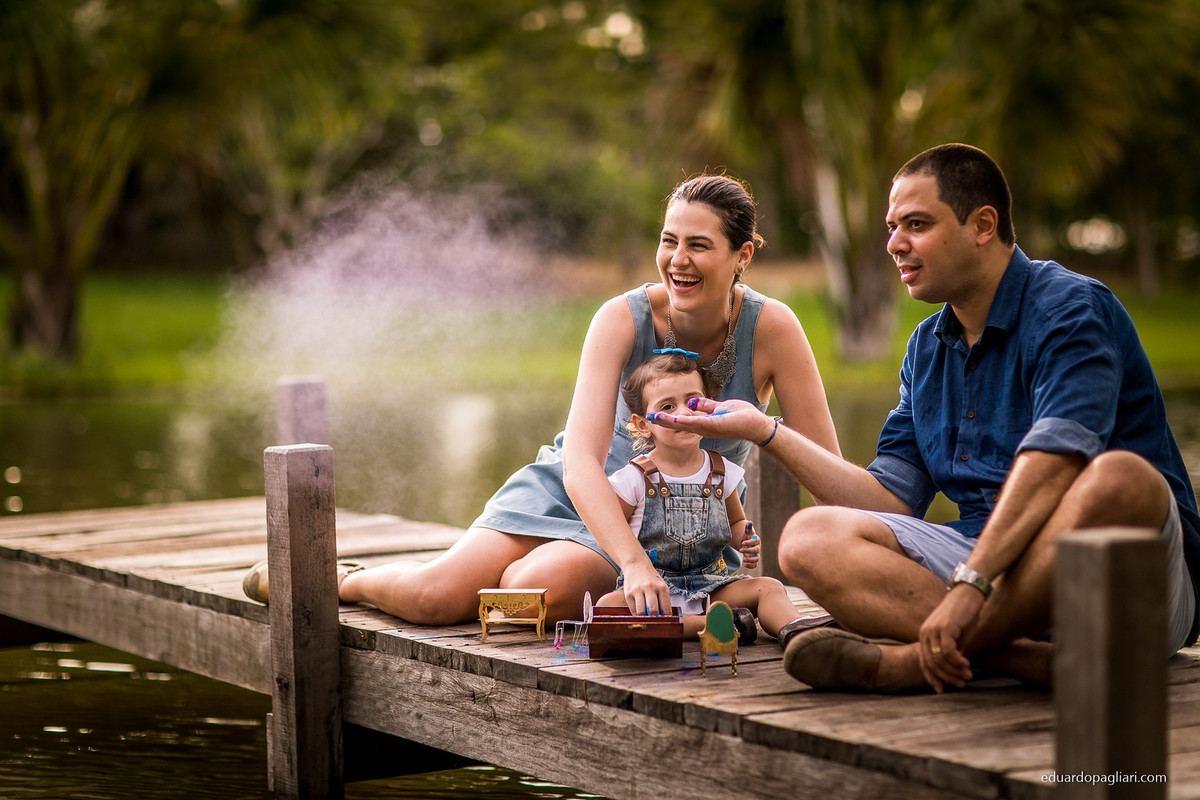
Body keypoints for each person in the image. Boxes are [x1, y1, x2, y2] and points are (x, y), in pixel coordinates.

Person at [649, 143, 1200, 693]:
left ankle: (916, 662)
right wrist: (765, 430)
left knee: (1123, 480)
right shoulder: (927, 347)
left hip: (1121, 580)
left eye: (916, 224)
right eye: (892, 227)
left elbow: (1057, 460)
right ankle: (1021, 658)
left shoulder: (1070, 309)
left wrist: (971, 584)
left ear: (982, 225)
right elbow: (889, 502)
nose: (894, 243)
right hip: (986, 568)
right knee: (807, 538)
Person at [246, 173, 841, 624]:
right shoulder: (621, 318)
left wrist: (854, 575)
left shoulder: (773, 329)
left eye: (699, 245)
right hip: (575, 493)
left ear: (742, 256)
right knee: (434, 599)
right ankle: (344, 579)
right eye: (668, 241)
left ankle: (534, 568)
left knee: (540, 592)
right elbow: (581, 462)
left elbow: (824, 468)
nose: (677, 261)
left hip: (676, 526)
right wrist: (633, 564)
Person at [598, 352, 821, 646]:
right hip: (656, 590)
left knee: (769, 587)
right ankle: (713, 624)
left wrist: (745, 538)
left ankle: (797, 632)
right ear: (643, 424)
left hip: (713, 586)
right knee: (607, 607)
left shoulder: (720, 471)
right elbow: (611, 529)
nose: (684, 413)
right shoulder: (634, 478)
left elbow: (736, 522)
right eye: (667, 406)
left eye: (692, 403)